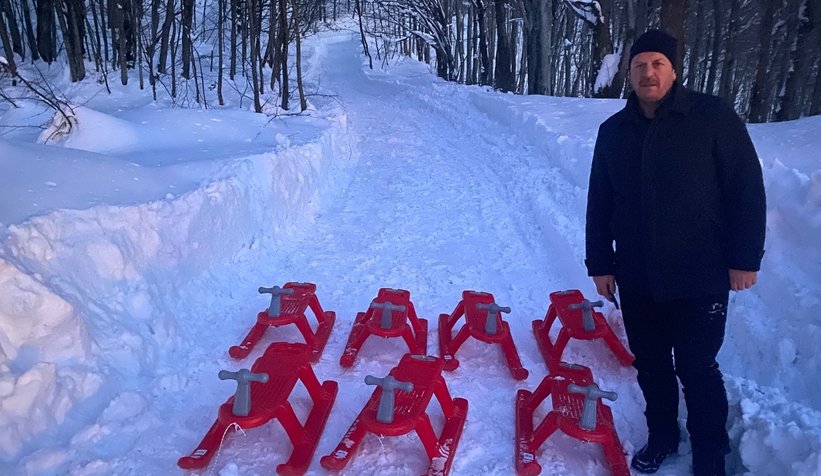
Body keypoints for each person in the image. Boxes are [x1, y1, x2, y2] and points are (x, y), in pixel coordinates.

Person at [584, 29, 766, 476]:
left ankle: (709, 455)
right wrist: (600, 263)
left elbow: (746, 189)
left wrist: (745, 259)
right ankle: (663, 434)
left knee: (697, 367)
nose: (648, 72)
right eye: (639, 65)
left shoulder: (712, 118)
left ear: (674, 70)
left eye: (657, 64)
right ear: (629, 74)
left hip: (699, 273)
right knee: (650, 365)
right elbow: (600, 201)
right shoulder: (614, 132)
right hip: (637, 273)